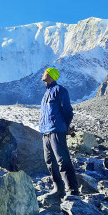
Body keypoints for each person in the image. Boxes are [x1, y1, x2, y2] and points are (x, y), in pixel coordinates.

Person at [39, 67, 79, 204]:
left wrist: (65, 127)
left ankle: (73, 190)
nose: (43, 74)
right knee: (49, 161)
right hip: (46, 132)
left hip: (56, 130)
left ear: (50, 75)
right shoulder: (46, 94)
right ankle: (58, 188)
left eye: (45, 72)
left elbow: (68, 110)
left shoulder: (60, 90)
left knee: (62, 159)